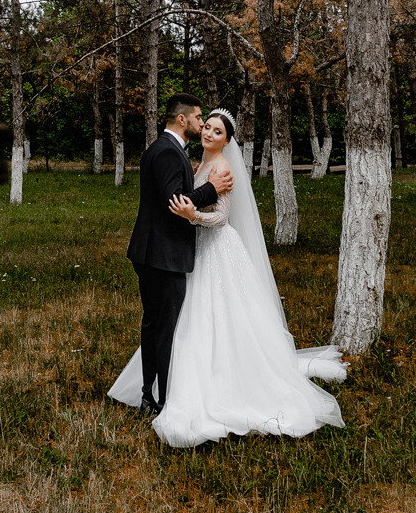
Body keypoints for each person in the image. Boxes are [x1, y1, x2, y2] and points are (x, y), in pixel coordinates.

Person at [110, 107, 346, 447]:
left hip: (216, 247)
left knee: (218, 316)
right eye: (206, 126)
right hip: (189, 251)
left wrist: (194, 216)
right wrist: (195, 202)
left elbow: (220, 218)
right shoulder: (196, 164)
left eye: (217, 132)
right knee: (187, 317)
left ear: (227, 140)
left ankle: (214, 384)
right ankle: (163, 386)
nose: (208, 133)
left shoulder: (222, 167)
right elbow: (180, 196)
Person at [120, 93, 231, 416]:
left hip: (152, 252)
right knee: (163, 328)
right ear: (182, 120)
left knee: (155, 324)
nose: (202, 124)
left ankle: (149, 394)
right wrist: (211, 189)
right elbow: (175, 205)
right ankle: (161, 399)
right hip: (162, 255)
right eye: (199, 119)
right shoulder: (168, 153)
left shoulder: (163, 149)